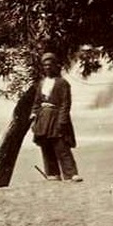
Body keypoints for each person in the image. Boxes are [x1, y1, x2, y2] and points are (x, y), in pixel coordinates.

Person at [30, 51, 81, 182]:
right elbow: (37, 102)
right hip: (43, 118)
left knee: (61, 146)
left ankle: (71, 174)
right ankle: (52, 174)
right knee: (46, 146)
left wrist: (62, 121)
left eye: (50, 65)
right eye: (45, 65)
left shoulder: (62, 83)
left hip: (56, 117)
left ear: (55, 66)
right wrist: (34, 115)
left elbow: (65, 103)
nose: (47, 68)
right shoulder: (41, 83)